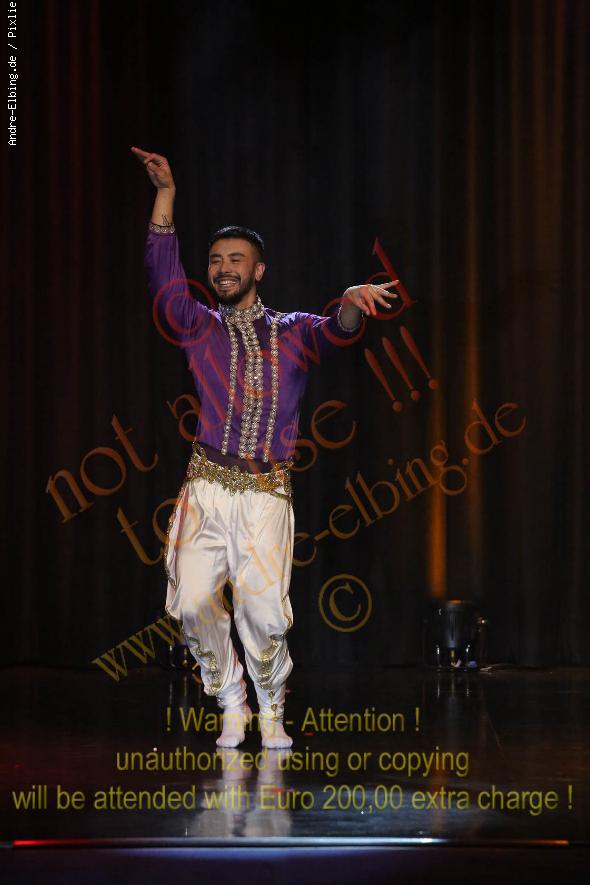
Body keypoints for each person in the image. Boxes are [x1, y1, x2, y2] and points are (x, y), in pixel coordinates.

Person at [132, 145, 398, 749]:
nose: (223, 268)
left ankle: (271, 705)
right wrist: (166, 193)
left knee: (265, 614)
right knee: (193, 602)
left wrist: (351, 302)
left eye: (236, 260)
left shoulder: (294, 331)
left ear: (259, 271)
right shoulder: (198, 326)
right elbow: (162, 276)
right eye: (216, 260)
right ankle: (231, 698)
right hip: (206, 488)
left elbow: (338, 332)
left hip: (265, 495)